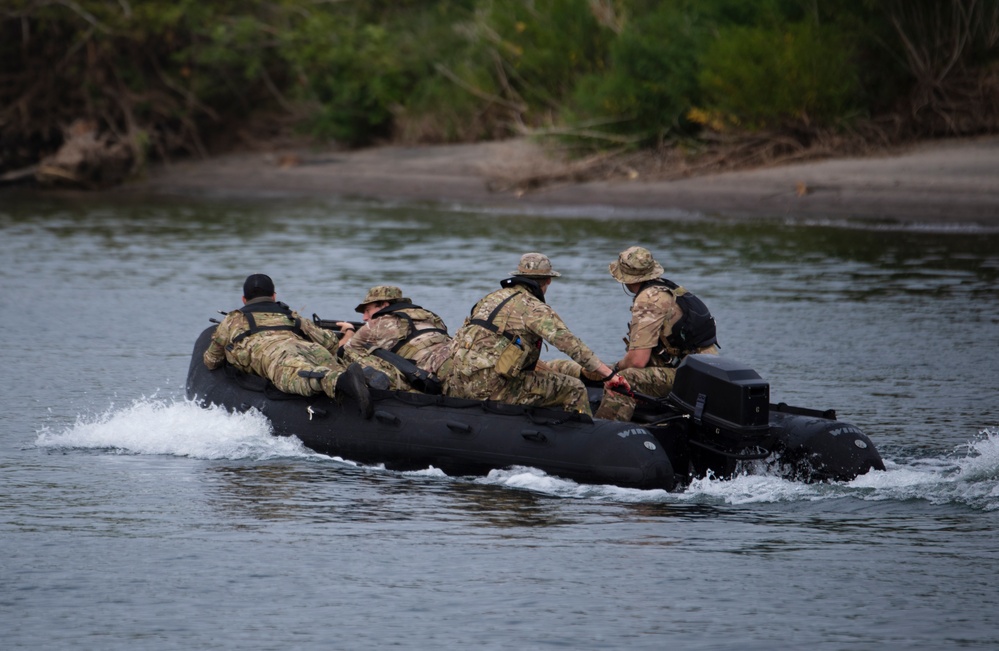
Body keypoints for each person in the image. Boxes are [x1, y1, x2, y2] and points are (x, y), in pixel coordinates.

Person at [439, 253, 629, 415]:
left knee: (547, 372)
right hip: (489, 389)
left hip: (456, 383)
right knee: (574, 388)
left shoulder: (490, 299)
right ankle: (584, 444)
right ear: (548, 280)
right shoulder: (534, 308)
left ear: (519, 275)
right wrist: (609, 375)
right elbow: (571, 345)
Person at [551, 246, 719, 421]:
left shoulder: (648, 300)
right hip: (702, 372)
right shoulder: (669, 289)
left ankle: (606, 428)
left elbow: (637, 361)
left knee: (625, 379)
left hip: (687, 377)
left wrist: (613, 371)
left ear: (626, 279)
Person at [203, 273, 373, 417]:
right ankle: (367, 380)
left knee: (300, 378)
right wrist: (349, 332)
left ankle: (340, 381)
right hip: (310, 349)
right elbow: (330, 343)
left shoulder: (232, 320)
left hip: (277, 355)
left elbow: (212, 360)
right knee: (329, 365)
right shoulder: (292, 316)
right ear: (274, 296)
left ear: (244, 299)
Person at [338, 285, 451, 392]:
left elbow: (341, 351)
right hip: (452, 360)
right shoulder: (432, 316)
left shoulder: (378, 324)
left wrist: (349, 331)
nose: (365, 317)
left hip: (432, 376)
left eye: (368, 310)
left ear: (385, 305)